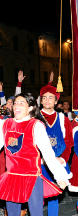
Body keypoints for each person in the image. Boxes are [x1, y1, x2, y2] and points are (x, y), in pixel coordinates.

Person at [0, 93, 70, 216]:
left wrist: (60, 175)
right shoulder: (6, 124)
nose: (17, 106)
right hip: (12, 177)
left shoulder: (36, 125)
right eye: (15, 103)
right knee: (12, 213)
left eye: (22, 103)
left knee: (36, 213)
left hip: (32, 178)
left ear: (31, 108)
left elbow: (48, 154)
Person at [39, 85, 74, 216]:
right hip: (39, 164)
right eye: (44, 98)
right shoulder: (34, 118)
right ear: (41, 101)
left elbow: (69, 143)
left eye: (51, 98)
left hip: (57, 162)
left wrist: (62, 159)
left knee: (54, 195)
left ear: (55, 101)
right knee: (38, 197)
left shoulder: (63, 119)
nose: (47, 100)